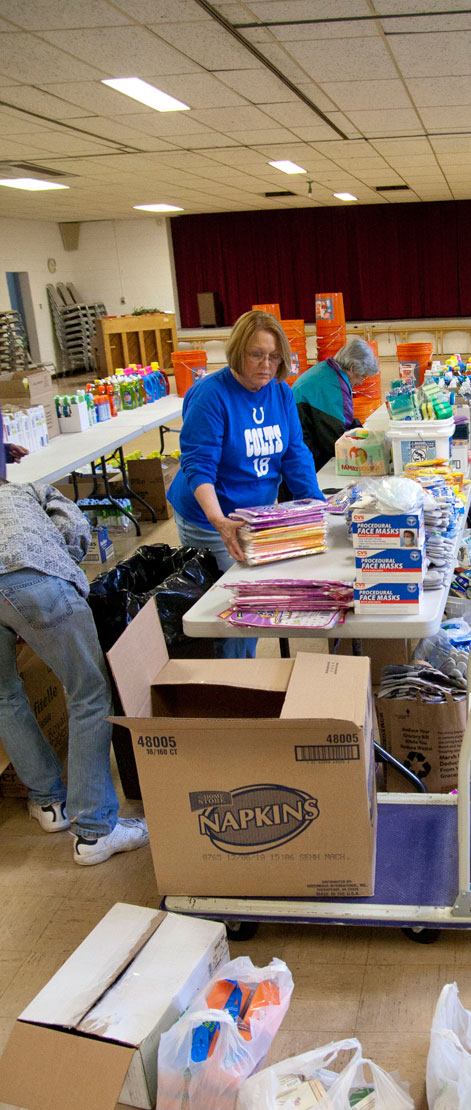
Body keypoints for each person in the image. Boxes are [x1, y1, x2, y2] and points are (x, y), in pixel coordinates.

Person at [0, 476, 149, 865]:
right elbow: (74, 526)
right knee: (88, 694)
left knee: (4, 696)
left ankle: (49, 804)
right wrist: (58, 564)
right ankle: (96, 831)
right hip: (34, 576)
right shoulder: (28, 489)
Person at [167, 309, 325, 658]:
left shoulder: (281, 393)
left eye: (274, 356)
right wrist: (219, 520)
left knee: (255, 600)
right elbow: (198, 464)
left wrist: (315, 505)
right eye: (257, 354)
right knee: (235, 608)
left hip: (256, 515)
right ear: (238, 351)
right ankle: (233, 685)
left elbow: (295, 454)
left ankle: (241, 673)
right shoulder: (211, 395)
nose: (266, 365)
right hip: (211, 516)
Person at [291, 338, 379, 471]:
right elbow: (335, 441)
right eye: (363, 376)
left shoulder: (327, 369)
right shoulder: (333, 384)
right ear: (352, 367)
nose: (361, 382)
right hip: (303, 456)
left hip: (301, 440)